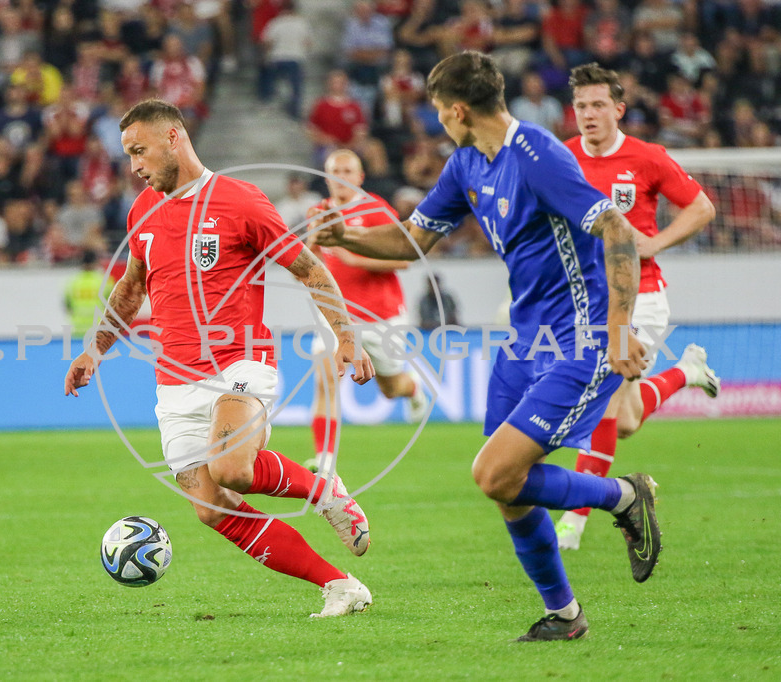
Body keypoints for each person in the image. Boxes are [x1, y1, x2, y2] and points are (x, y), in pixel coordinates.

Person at [312, 51, 659, 641]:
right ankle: (566, 613)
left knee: (494, 473)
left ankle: (623, 496)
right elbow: (411, 240)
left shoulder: (539, 156)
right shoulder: (467, 164)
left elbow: (619, 231)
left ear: (456, 110)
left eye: (437, 113)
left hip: (582, 337)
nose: (437, 123)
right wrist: (346, 234)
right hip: (524, 341)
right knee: (507, 488)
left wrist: (622, 329)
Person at [64, 99, 375, 617]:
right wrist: (95, 350)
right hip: (174, 379)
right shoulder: (142, 210)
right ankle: (340, 585)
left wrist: (347, 337)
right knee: (212, 506)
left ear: (173, 138)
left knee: (231, 467)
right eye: (128, 155)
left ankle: (322, 489)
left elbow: (311, 270)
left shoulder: (240, 202)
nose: (135, 166)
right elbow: (131, 288)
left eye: (139, 151)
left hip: (240, 363)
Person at [556, 63, 719, 551]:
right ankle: (687, 372)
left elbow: (702, 207)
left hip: (643, 298)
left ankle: (574, 521)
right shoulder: (562, 159)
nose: (588, 114)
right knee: (622, 422)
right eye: (581, 105)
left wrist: (654, 244)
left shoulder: (646, 157)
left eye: (598, 104)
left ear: (619, 109)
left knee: (606, 395)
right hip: (588, 303)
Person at [304, 149, 430, 473]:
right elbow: (307, 262)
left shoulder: (376, 210)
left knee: (390, 389)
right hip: (336, 315)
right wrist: (311, 245)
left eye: (347, 171)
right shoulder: (318, 212)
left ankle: (413, 388)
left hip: (380, 313)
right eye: (334, 171)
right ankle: (325, 459)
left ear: (360, 178)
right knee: (326, 377)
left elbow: (404, 258)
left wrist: (354, 259)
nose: (340, 178)